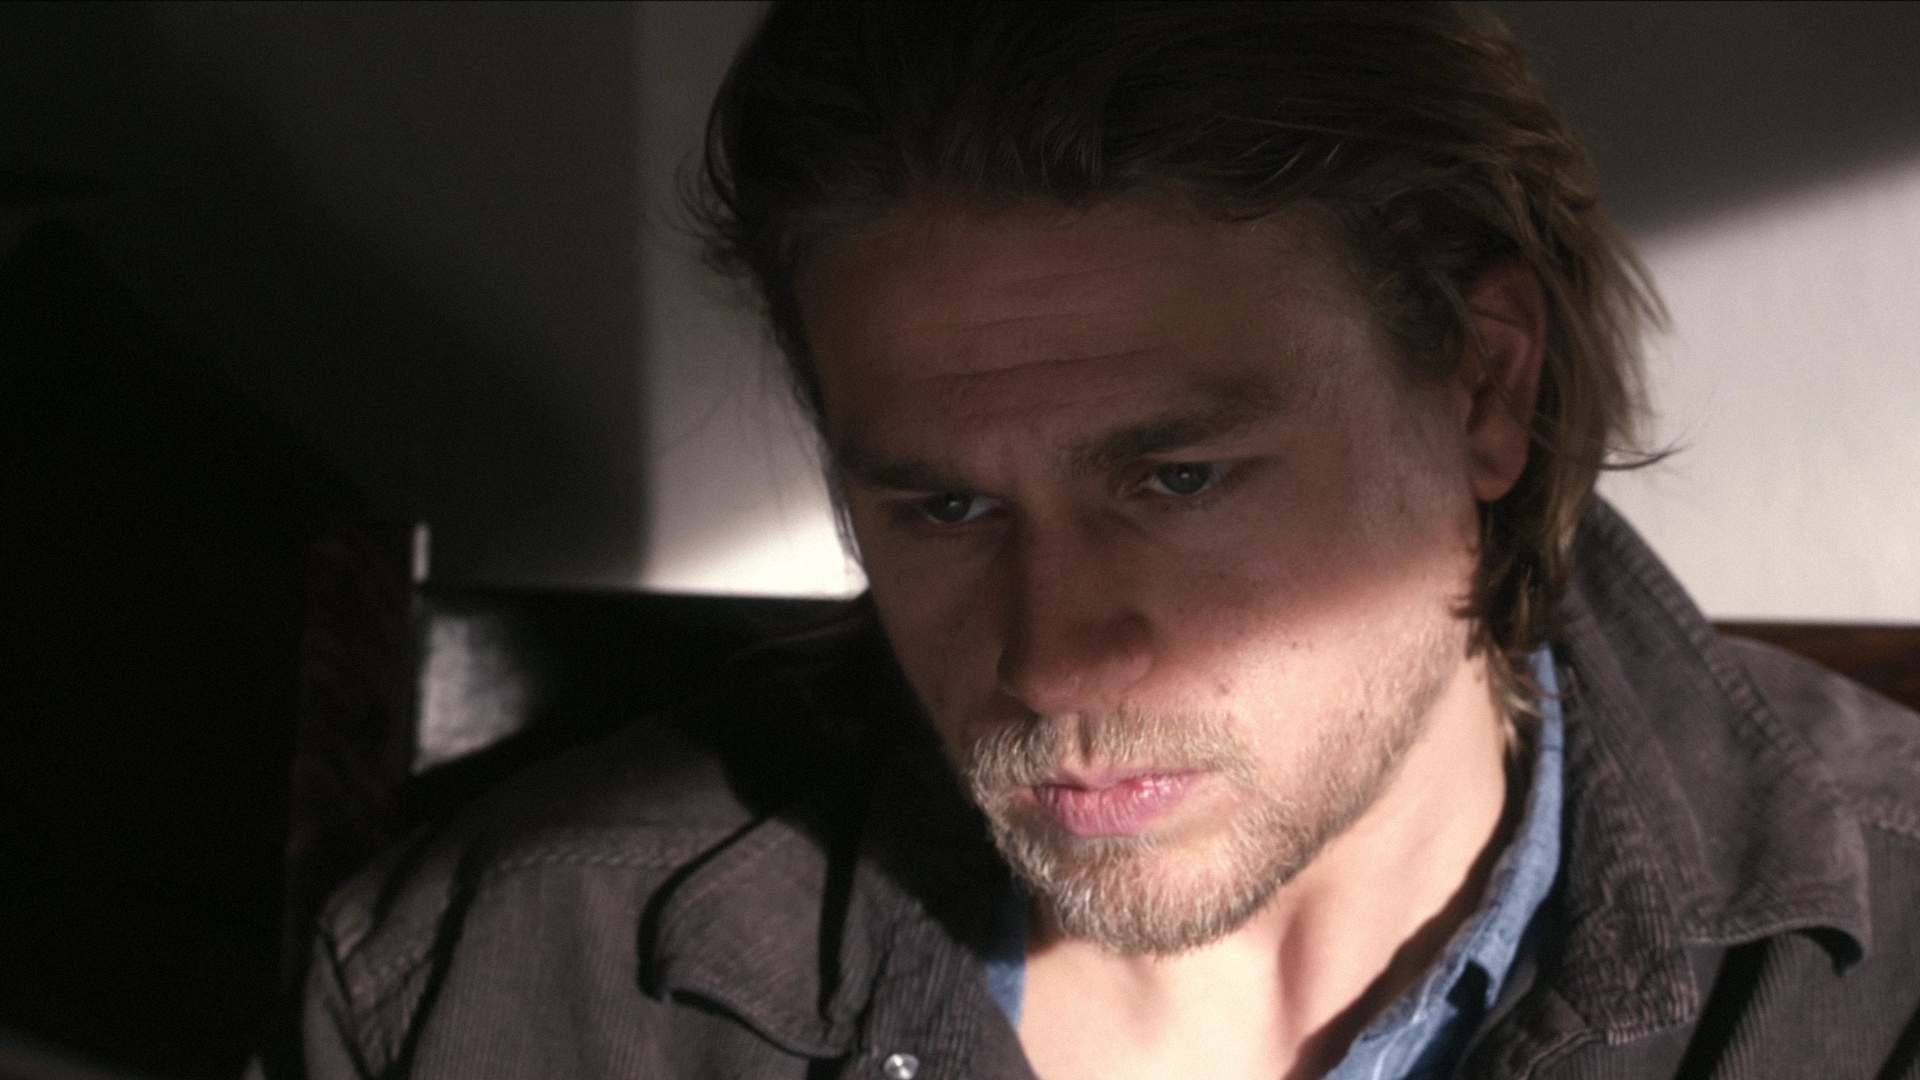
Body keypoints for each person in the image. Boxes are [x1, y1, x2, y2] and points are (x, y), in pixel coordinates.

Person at [293, 4, 1920, 1078]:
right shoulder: (501, 987)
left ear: (1487, 387)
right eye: (945, 506)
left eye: (1181, 479)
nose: (1054, 660)